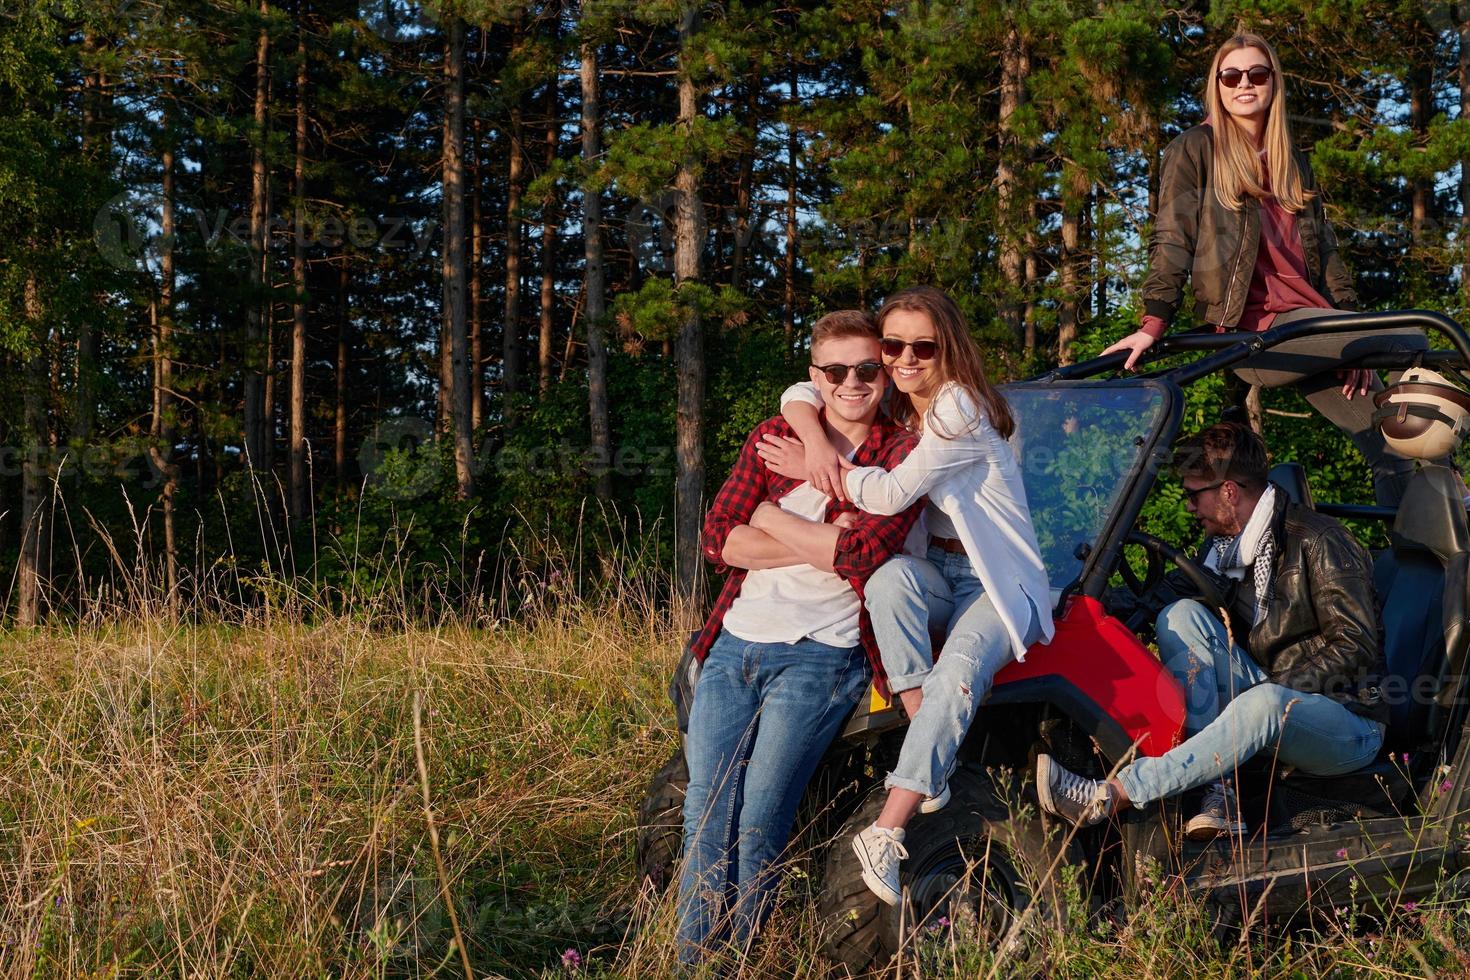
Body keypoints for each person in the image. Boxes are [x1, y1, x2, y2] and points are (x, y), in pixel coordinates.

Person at [755, 286, 1054, 907]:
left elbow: (890, 495)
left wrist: (811, 469)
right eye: (893, 346)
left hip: (995, 581)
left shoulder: (957, 408)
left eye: (924, 346)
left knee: (961, 668)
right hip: (938, 573)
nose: (904, 358)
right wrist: (813, 436)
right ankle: (929, 742)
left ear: (949, 347)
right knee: (888, 578)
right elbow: (807, 387)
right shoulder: (904, 404)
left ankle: (886, 829)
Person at [676, 310, 924, 964]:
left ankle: (744, 957)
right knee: (705, 807)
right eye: (835, 371)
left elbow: (869, 555)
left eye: (866, 369)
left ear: (885, 374)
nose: (851, 382)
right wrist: (820, 542)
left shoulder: (901, 453)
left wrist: (767, 516)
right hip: (733, 643)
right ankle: (694, 964)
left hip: (824, 654)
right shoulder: (775, 436)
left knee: (760, 814)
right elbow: (716, 538)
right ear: (815, 376)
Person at [1104, 32, 1439, 507]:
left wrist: (1354, 327)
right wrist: (1153, 322)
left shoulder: (1293, 162)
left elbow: (1327, 255)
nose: (1245, 84)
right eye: (1232, 75)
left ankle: (1424, 565)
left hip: (1314, 326)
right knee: (1412, 337)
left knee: (1391, 443)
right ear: (1216, 85)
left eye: (1257, 74)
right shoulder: (1196, 148)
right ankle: (1452, 494)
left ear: (1273, 83)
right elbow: (1172, 236)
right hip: (1252, 330)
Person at [1036, 423, 1388, 838]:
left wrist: (1272, 690)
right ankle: (1219, 791)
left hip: (1346, 718)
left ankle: (1111, 795)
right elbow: (1157, 596)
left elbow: (1355, 645)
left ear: (1228, 492)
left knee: (1267, 704)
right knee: (1179, 614)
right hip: (1271, 695)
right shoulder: (1225, 549)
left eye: (1193, 494)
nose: (1189, 507)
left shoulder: (1322, 540)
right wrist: (1059, 597)